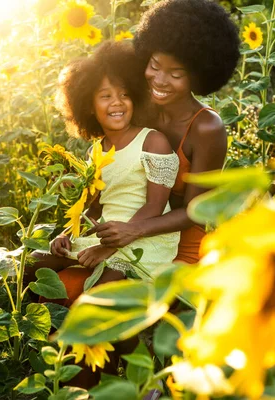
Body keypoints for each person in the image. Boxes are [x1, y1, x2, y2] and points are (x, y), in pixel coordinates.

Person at [30, 40, 180, 305]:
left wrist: (109, 247)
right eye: (106, 96)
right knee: (32, 263)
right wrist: (67, 234)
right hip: (104, 234)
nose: (117, 103)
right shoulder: (96, 151)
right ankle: (33, 335)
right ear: (88, 105)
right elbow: (96, 208)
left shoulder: (152, 142)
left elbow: (155, 207)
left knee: (99, 294)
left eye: (124, 94)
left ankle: (88, 337)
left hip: (143, 238)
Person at [90, 0, 241, 264]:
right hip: (124, 229)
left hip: (181, 244)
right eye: (155, 66)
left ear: (198, 75)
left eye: (175, 73)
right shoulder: (140, 108)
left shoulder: (206, 128)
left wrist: (133, 231)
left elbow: (197, 211)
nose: (159, 80)